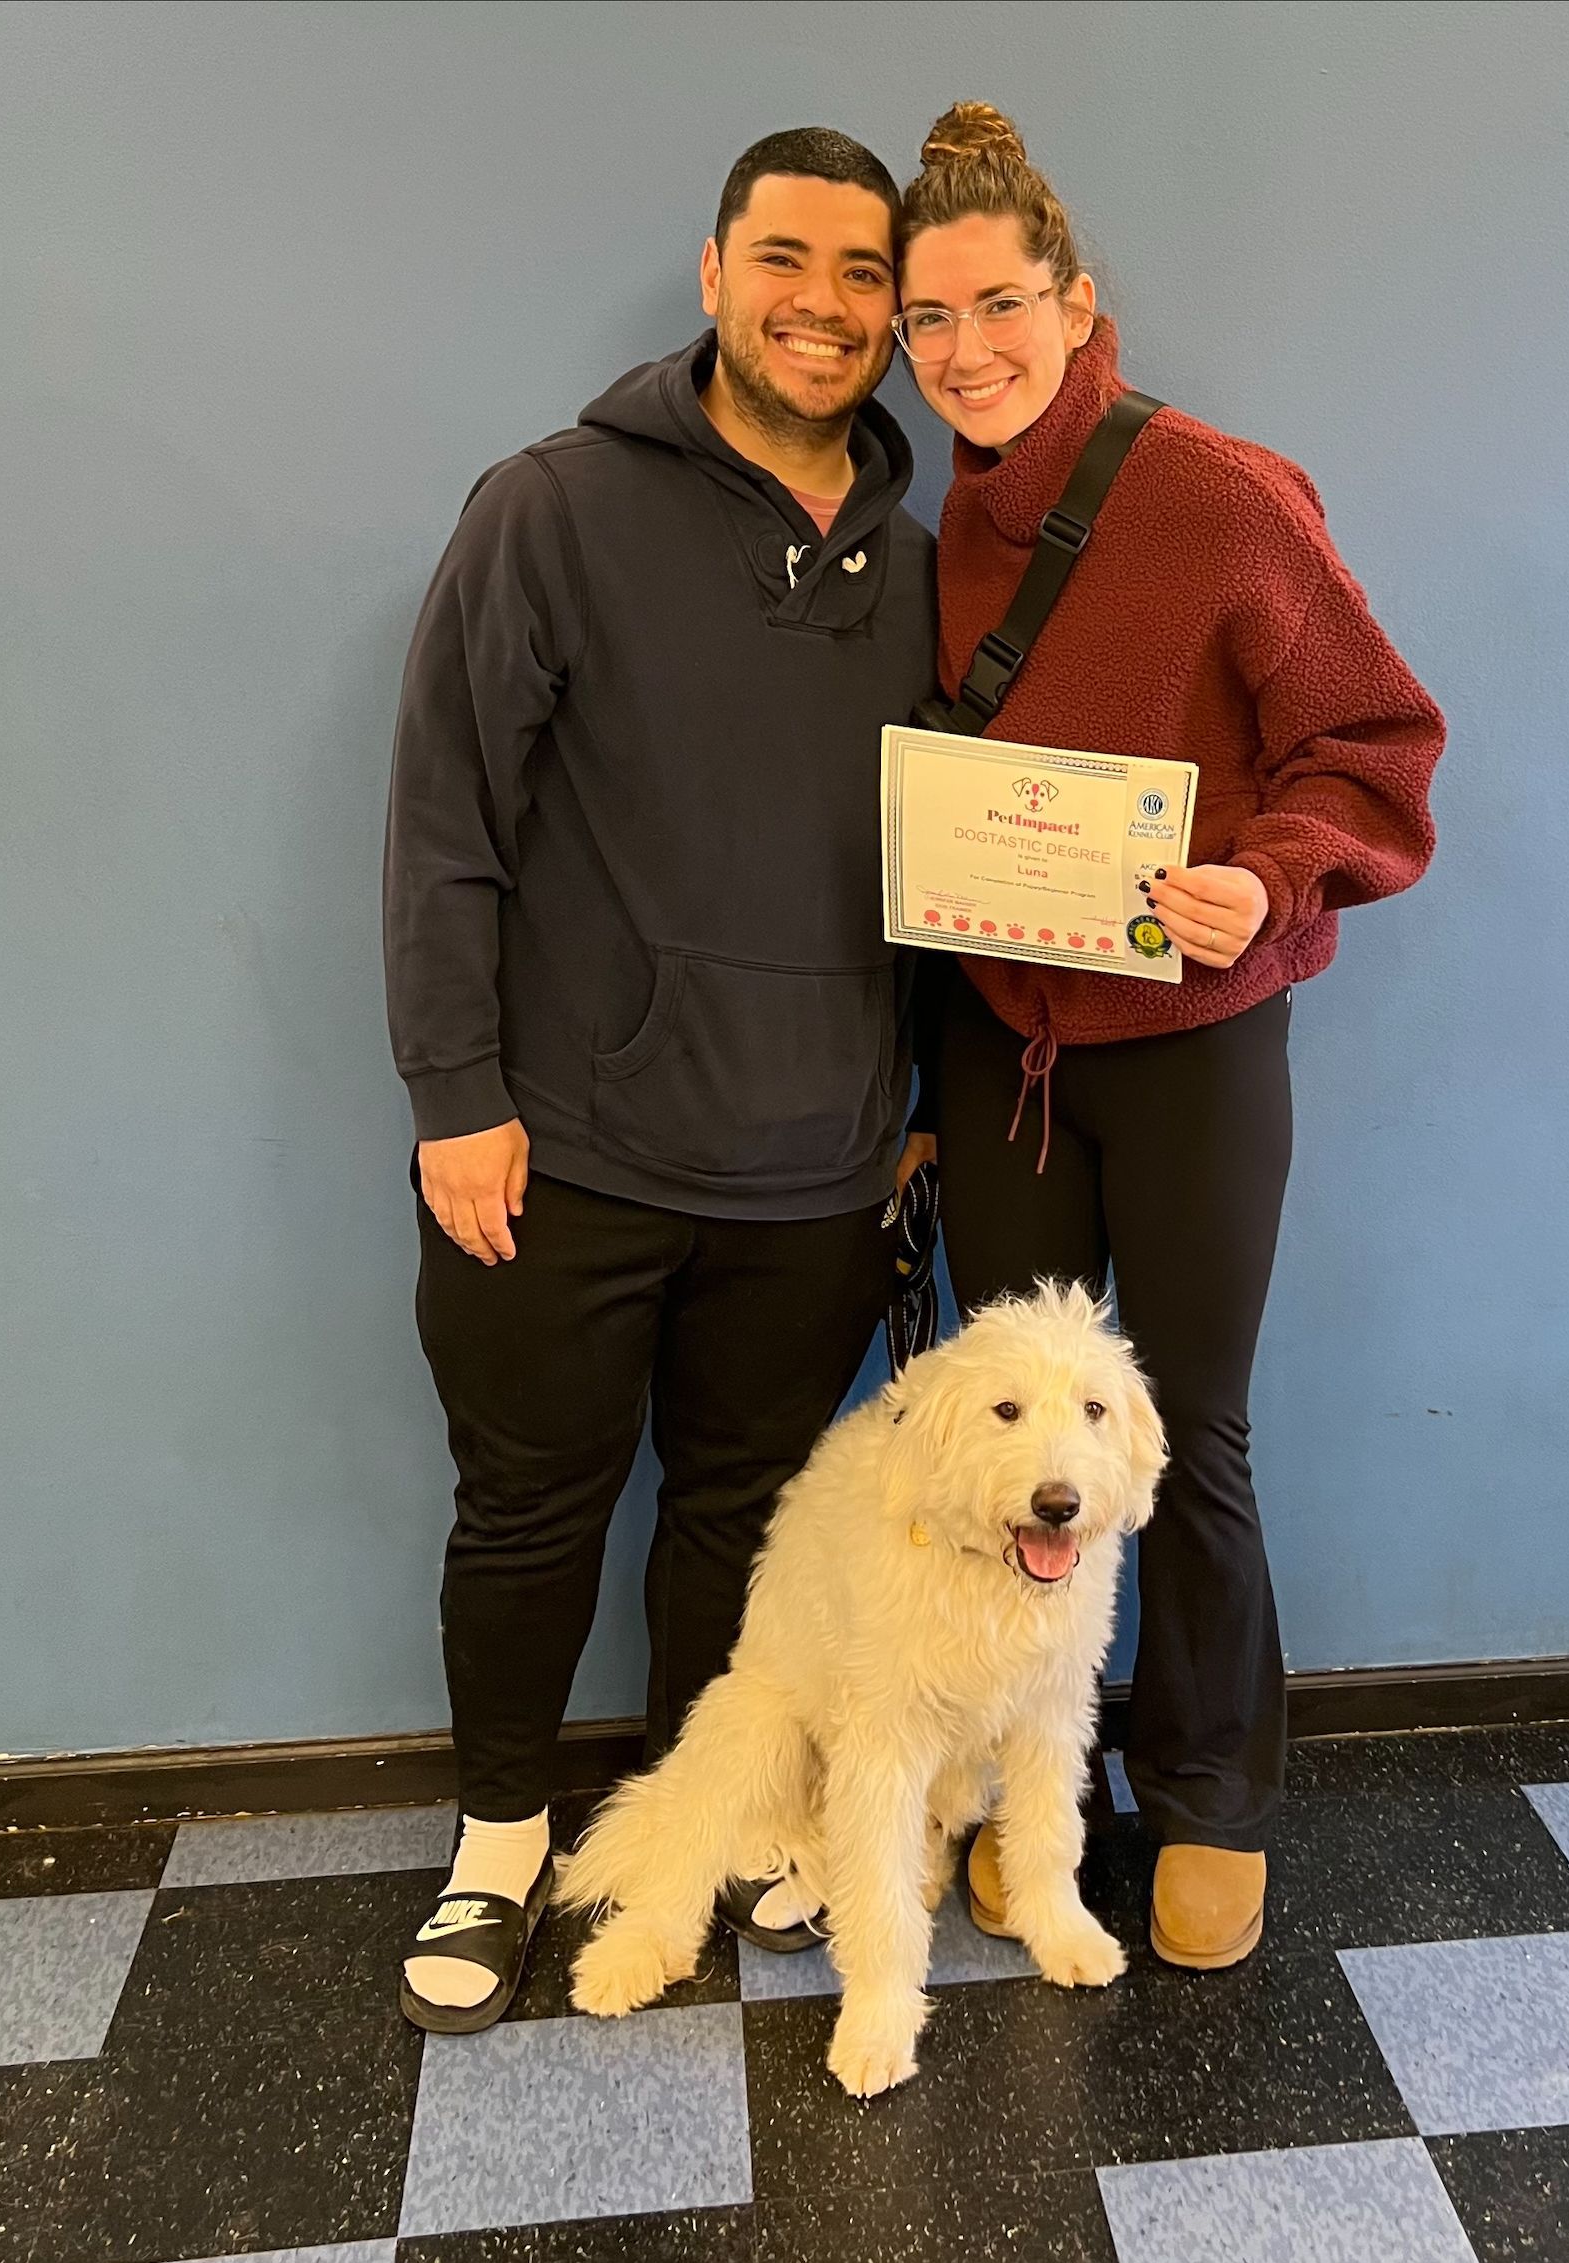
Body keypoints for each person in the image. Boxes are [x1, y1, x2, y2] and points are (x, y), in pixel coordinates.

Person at [383, 127, 938, 2030]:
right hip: (563, 1146)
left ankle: (691, 1830)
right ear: (713, 275)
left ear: (894, 306)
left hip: (816, 1165)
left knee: (739, 1520)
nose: (824, 302)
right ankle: (499, 1845)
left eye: (863, 272)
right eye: (785, 258)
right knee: (529, 1506)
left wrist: (916, 1098)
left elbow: (944, 870)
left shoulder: (924, 562)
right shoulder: (549, 506)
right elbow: (446, 820)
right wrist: (455, 1091)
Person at [894, 103, 1445, 1969]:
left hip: (1195, 1044)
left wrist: (1270, 876)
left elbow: (1371, 744)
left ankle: (1209, 1788)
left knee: (1179, 1434)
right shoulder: (936, 532)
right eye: (926, 323)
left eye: (995, 307)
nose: (962, 352)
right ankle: (1010, 1784)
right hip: (1000, 1052)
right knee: (997, 1446)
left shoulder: (1217, 493)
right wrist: (913, 1083)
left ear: (1077, 300)